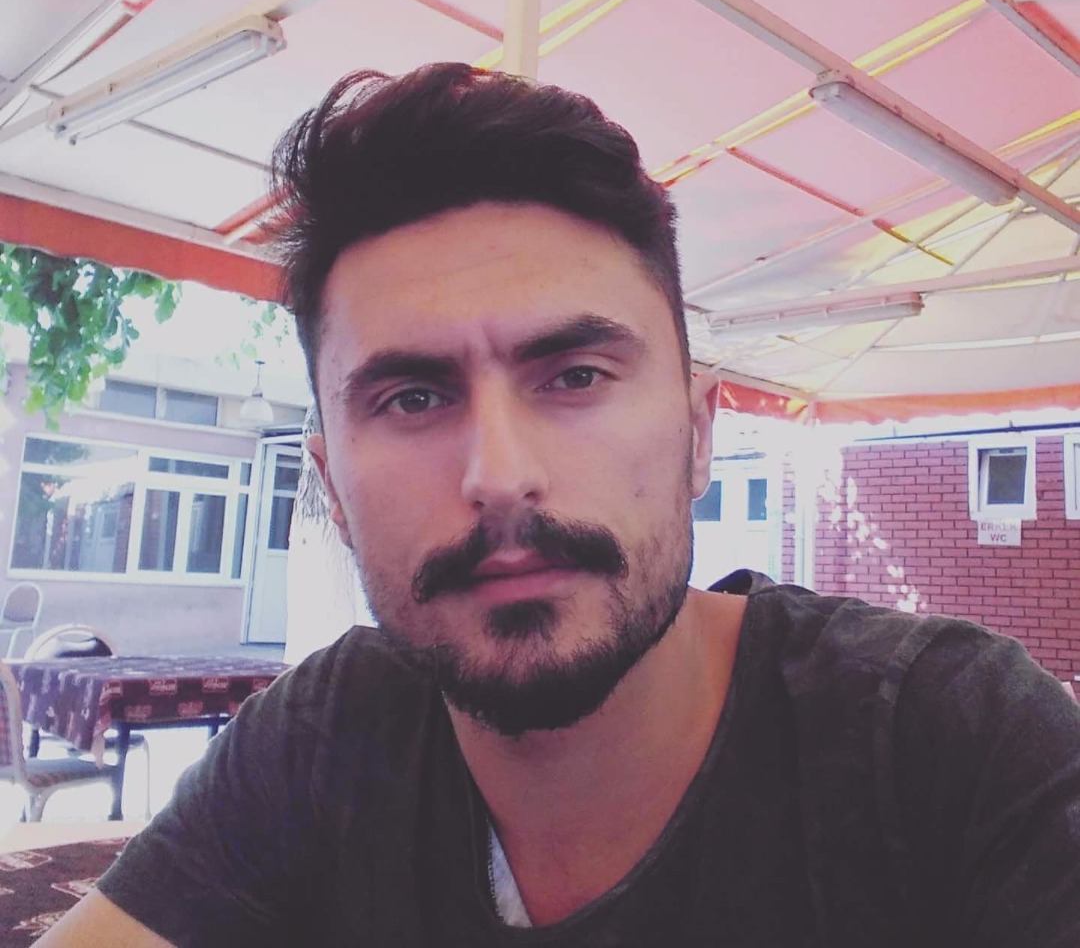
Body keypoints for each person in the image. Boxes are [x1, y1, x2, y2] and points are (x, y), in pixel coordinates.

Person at [41, 63, 1080, 946]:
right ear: (332, 491)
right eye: (412, 398)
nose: (499, 474)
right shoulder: (325, 739)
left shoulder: (955, 747)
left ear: (699, 433)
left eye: (576, 375)